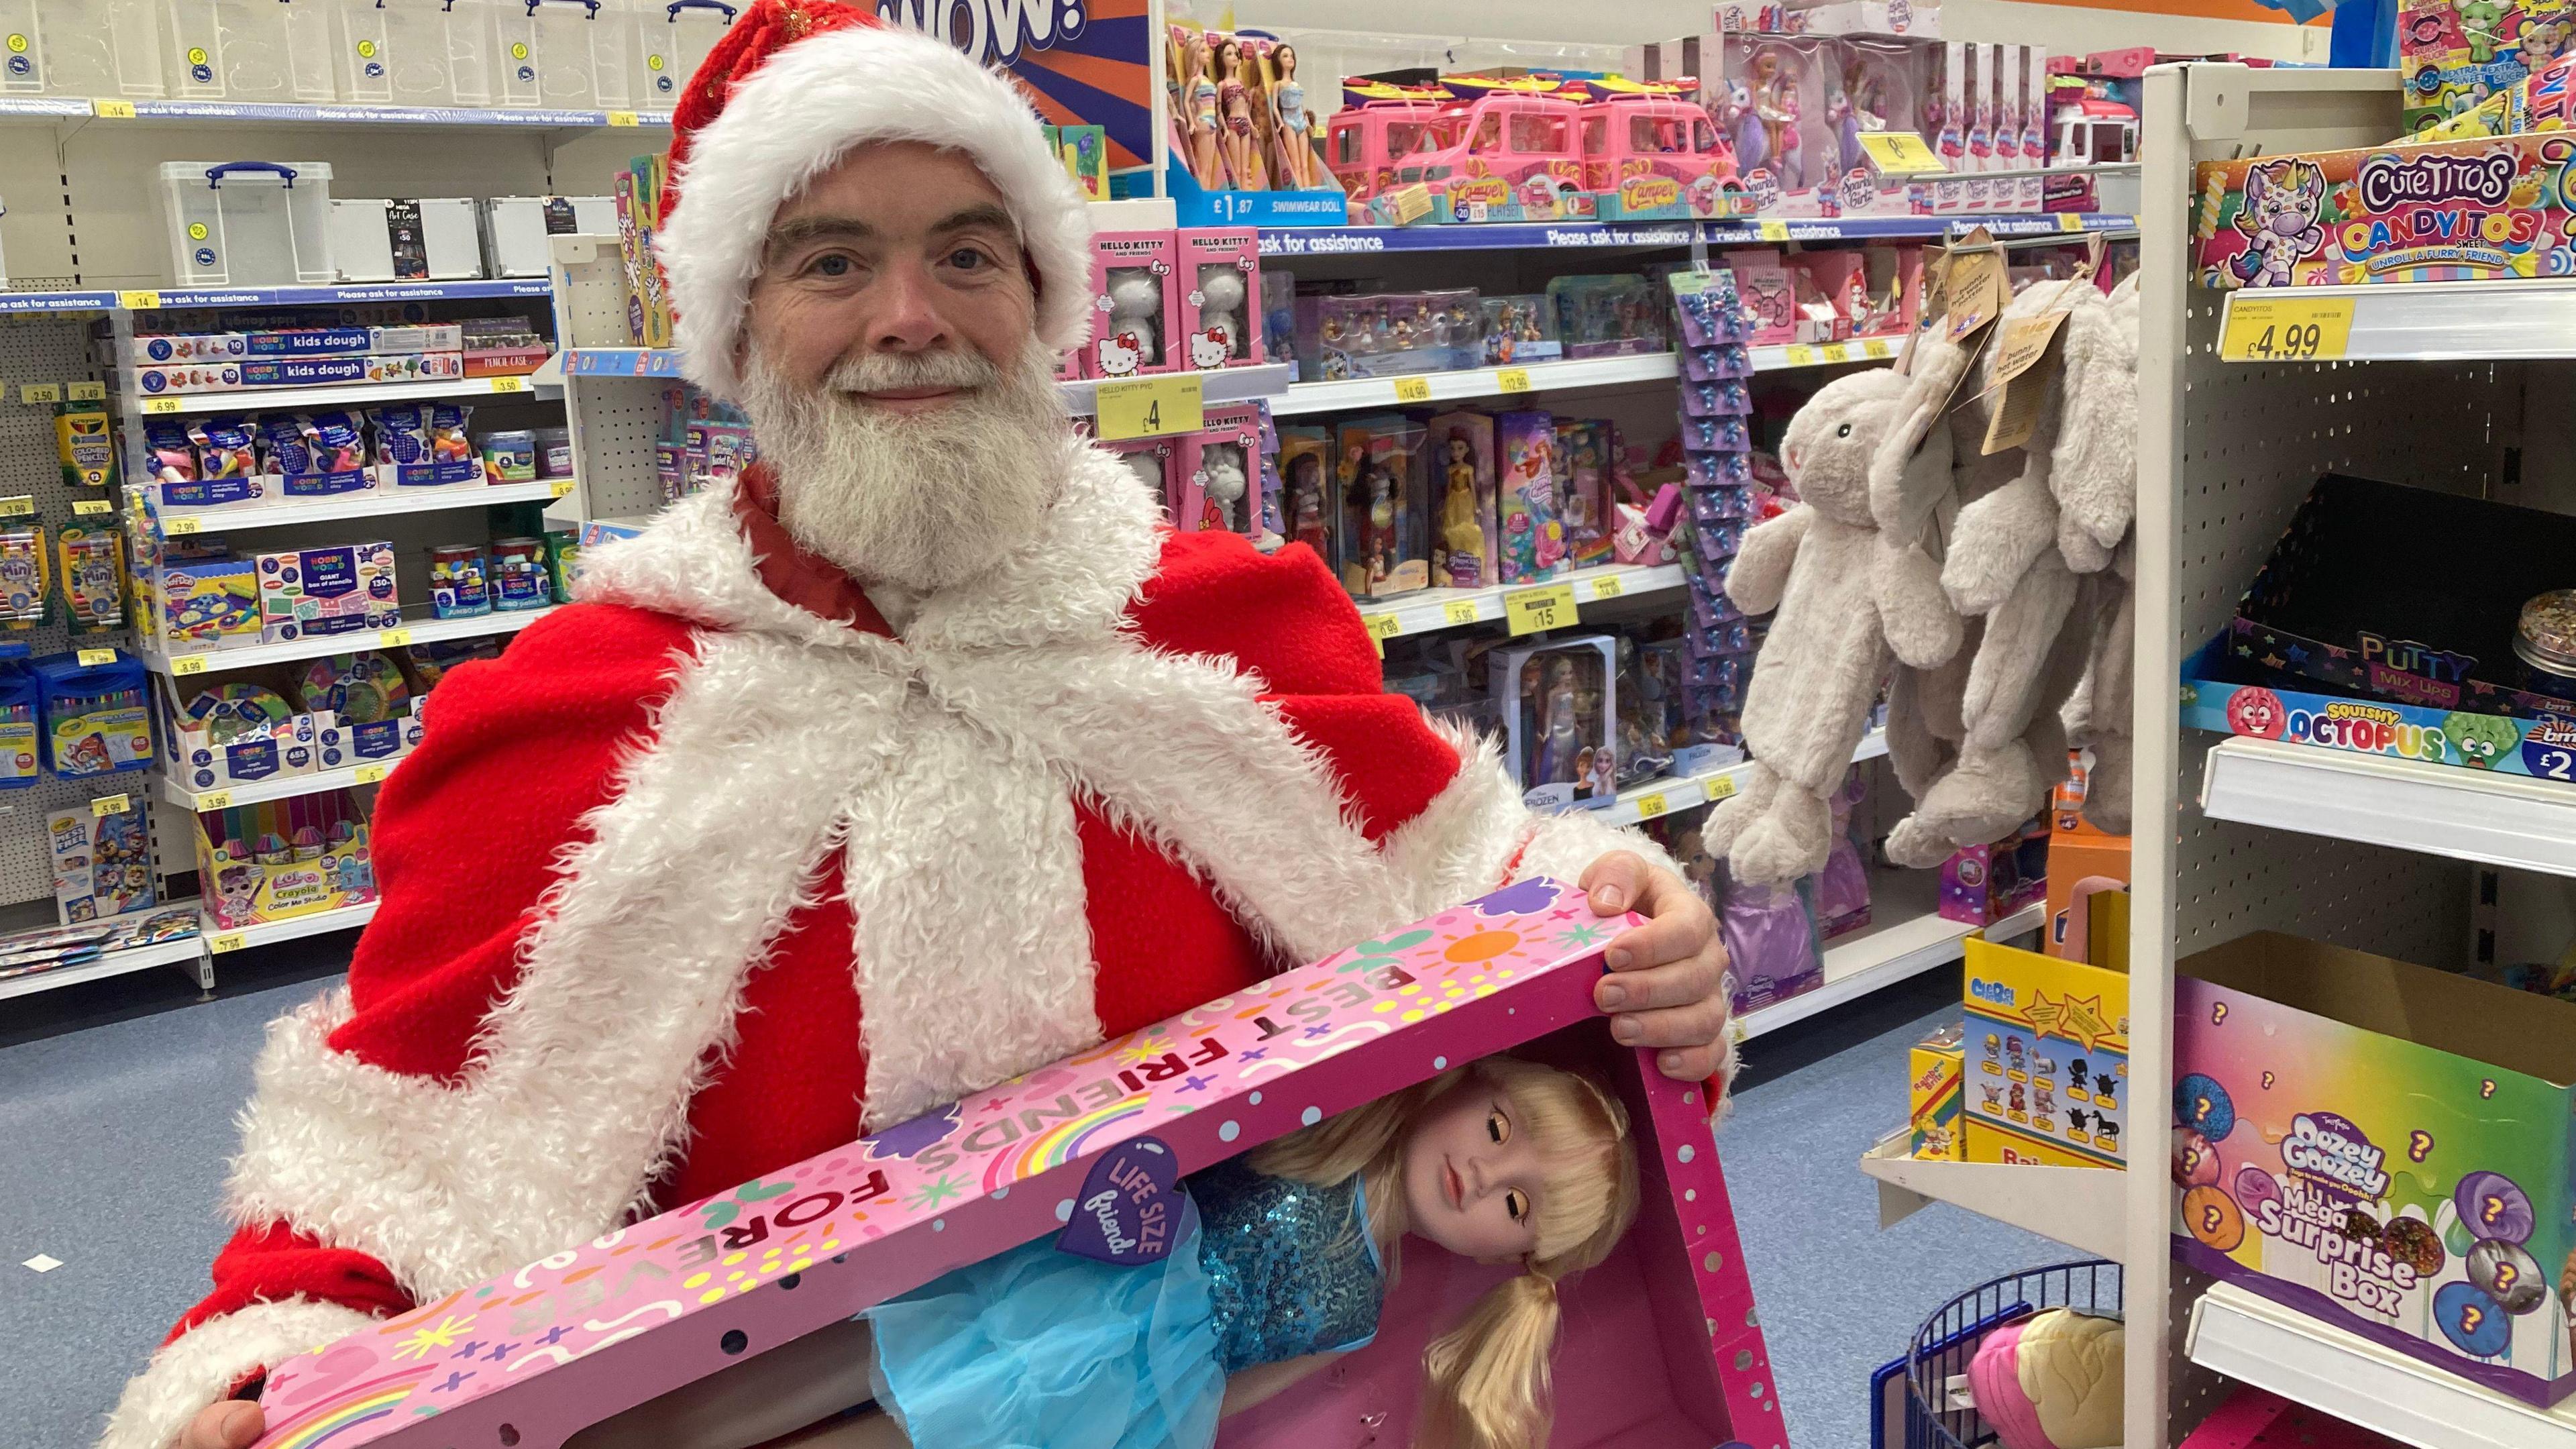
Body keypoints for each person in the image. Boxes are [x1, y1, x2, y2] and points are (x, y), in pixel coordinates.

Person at [128, 8, 1733, 1448]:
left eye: (968, 253)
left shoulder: (1236, 630)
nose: (911, 315)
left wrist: (1631, 934)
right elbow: (377, 1172)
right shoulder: (569, 722)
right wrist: (266, 1382)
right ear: (737, 325)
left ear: (1041, 300)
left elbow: (1494, 926)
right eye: (833, 261)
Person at [579, 1054, 1637, 1449]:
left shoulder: (1359, 1307)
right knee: (787, 1379)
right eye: (1500, 1135)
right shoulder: (1326, 1117)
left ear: (1510, 1261)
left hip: (1093, 1406)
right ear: (1470, 1085)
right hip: (1042, 1278)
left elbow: (1230, 1395)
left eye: (1515, 1208)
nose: (1481, 1178)